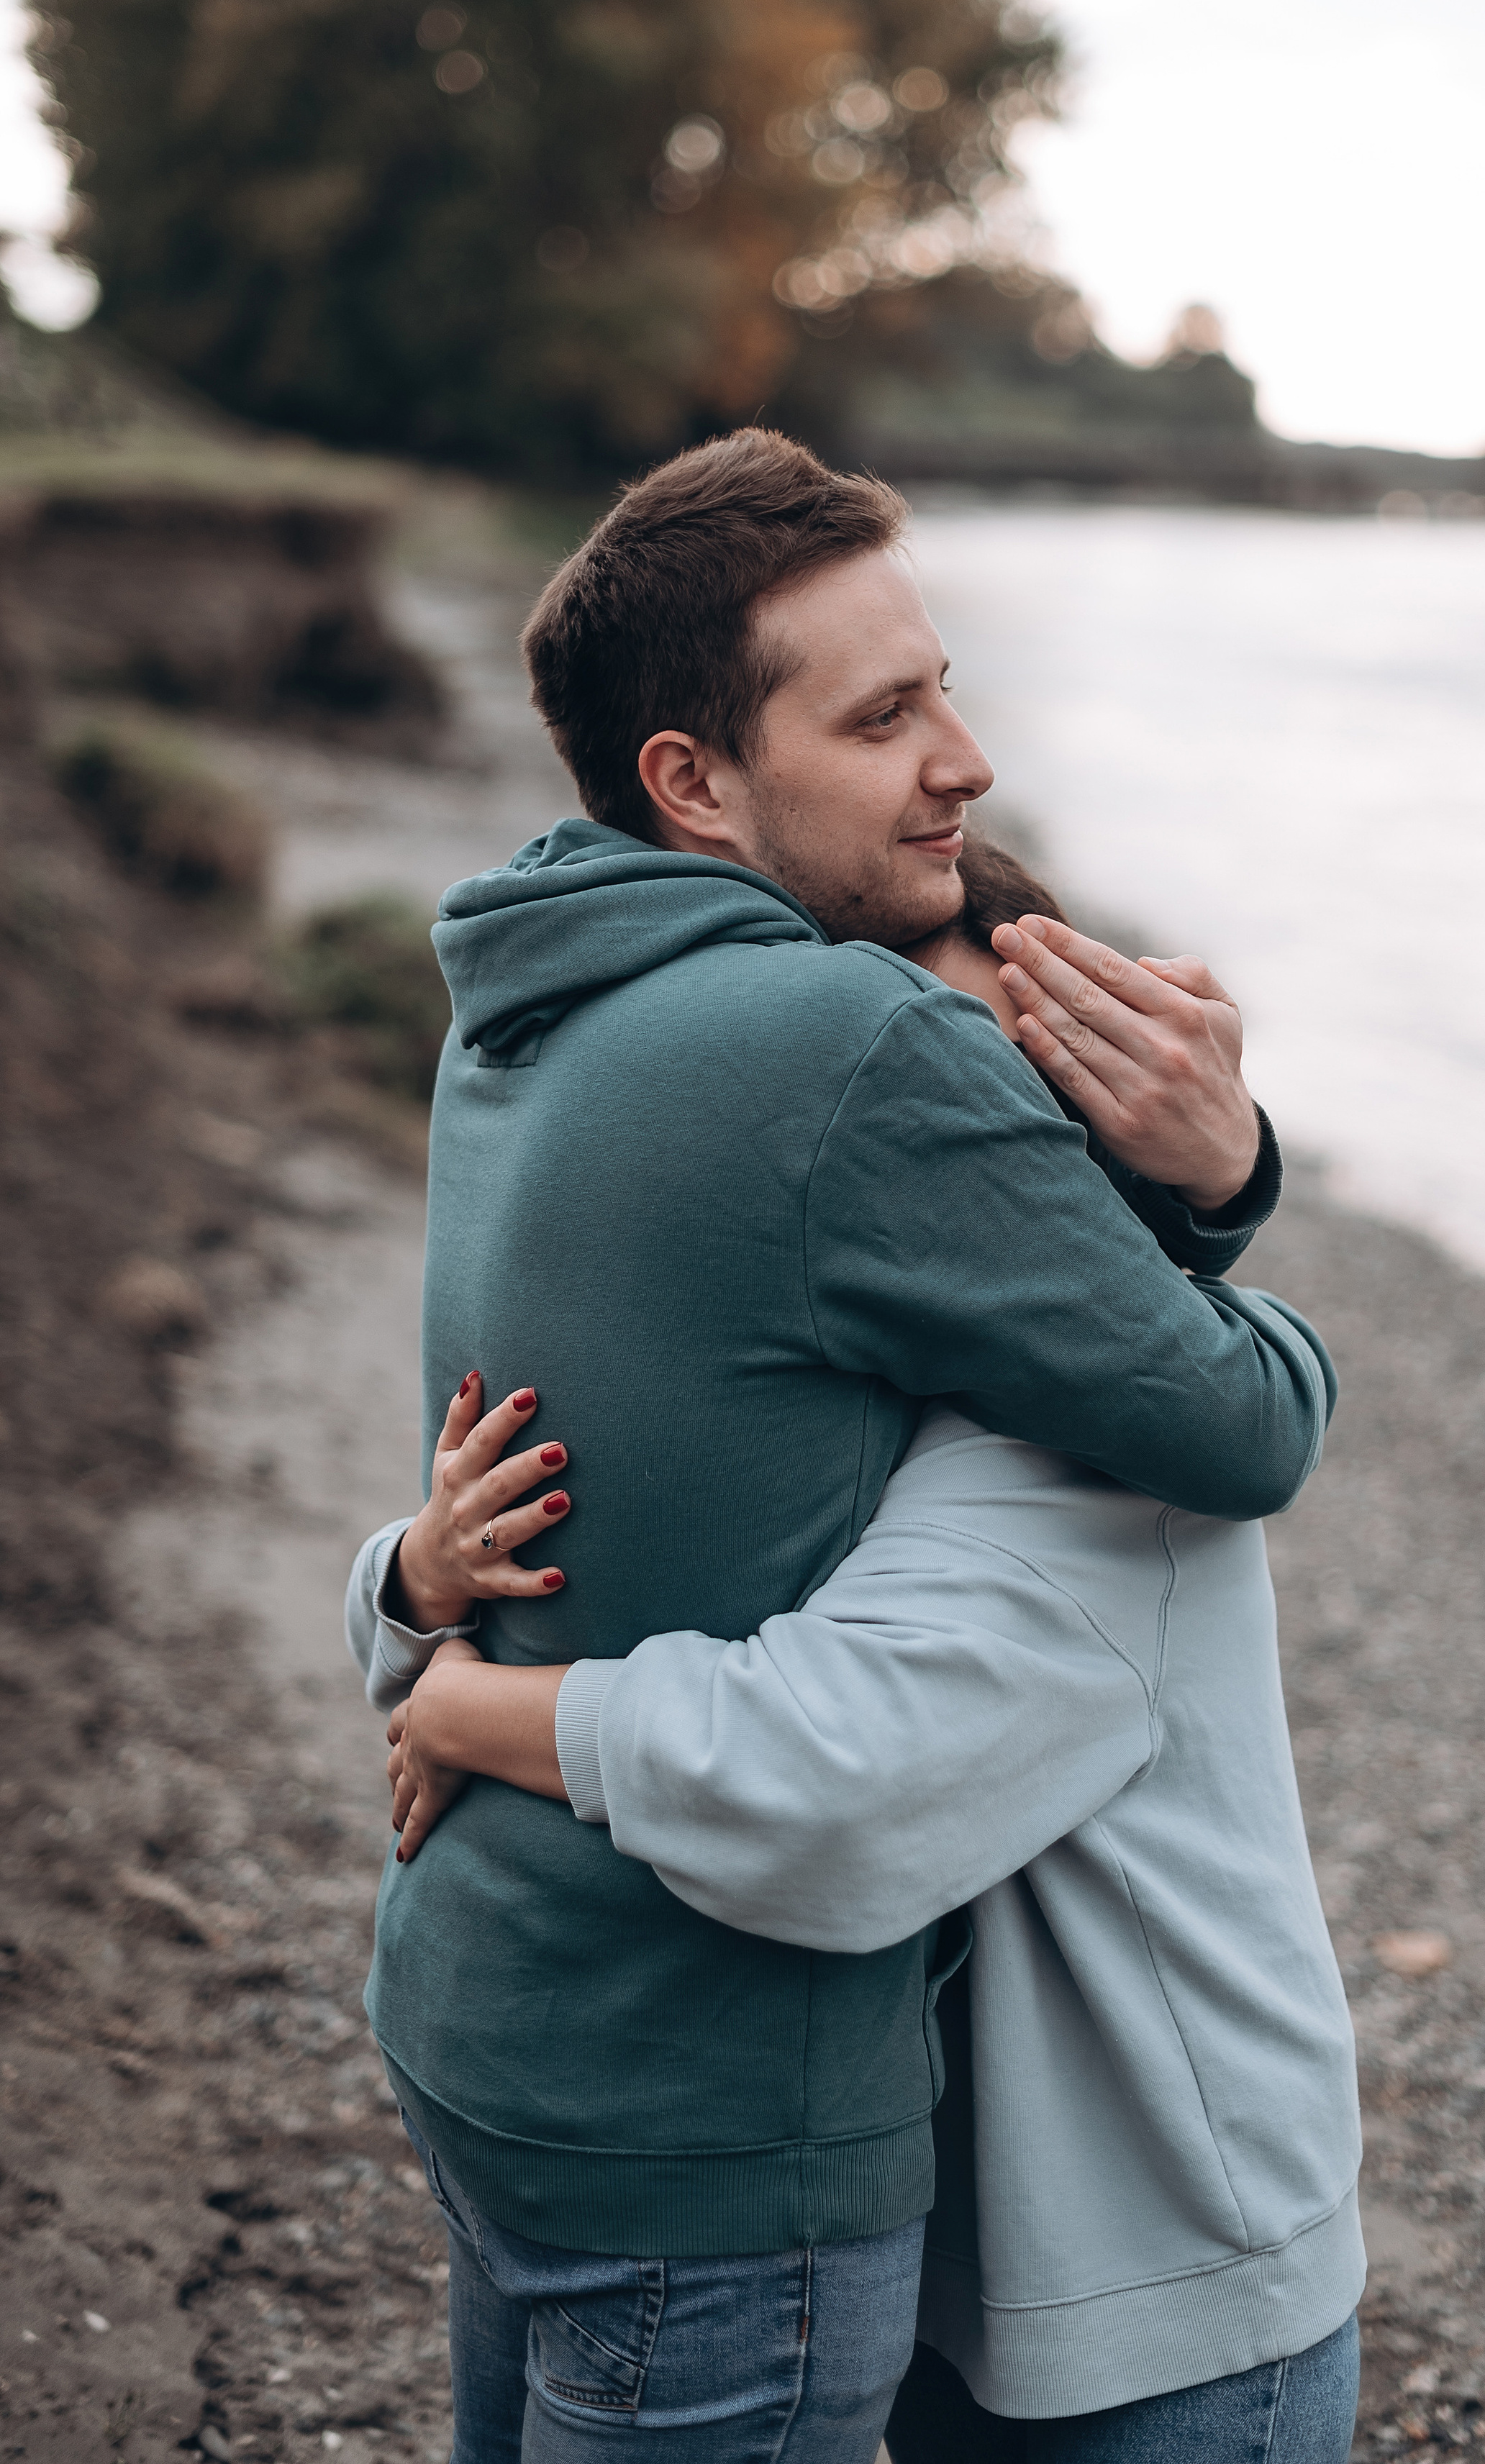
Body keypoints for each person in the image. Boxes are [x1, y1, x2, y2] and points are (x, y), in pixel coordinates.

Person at [354, 429, 1338, 2464]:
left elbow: (581, 1476)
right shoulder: (848, 1036)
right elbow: (1236, 1420)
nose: (962, 759)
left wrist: (407, 1618)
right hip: (718, 2106)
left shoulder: (521, 1007)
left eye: (946, 687)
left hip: (481, 2007)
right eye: (884, 713)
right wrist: (1231, 1177)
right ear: (694, 780)